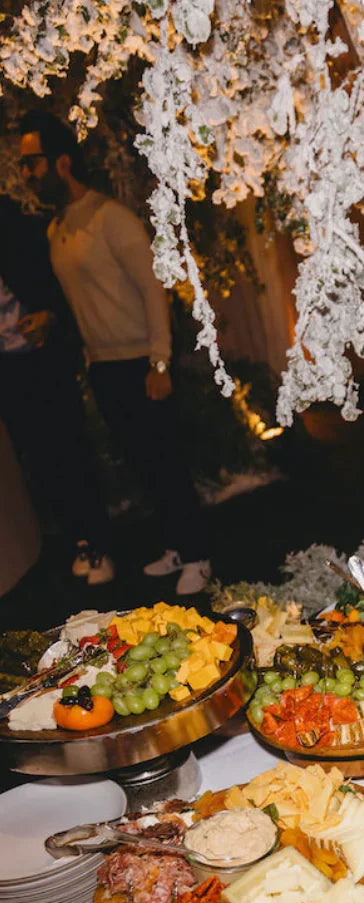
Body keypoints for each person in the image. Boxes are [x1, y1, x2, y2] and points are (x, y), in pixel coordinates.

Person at [19, 110, 212, 596]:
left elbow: (153, 290)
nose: (27, 173)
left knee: (167, 462)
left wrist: (160, 360)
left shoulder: (111, 218)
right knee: (143, 464)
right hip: (103, 366)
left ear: (63, 162)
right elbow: (80, 297)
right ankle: (175, 546)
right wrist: (53, 320)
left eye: (33, 163)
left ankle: (198, 556)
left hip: (142, 362)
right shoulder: (56, 229)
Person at [0, 194, 114, 583]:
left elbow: (60, 287)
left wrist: (50, 316)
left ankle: (99, 543)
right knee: (38, 461)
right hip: (8, 369)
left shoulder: (15, 221)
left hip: (42, 358)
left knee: (70, 449)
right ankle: (78, 541)